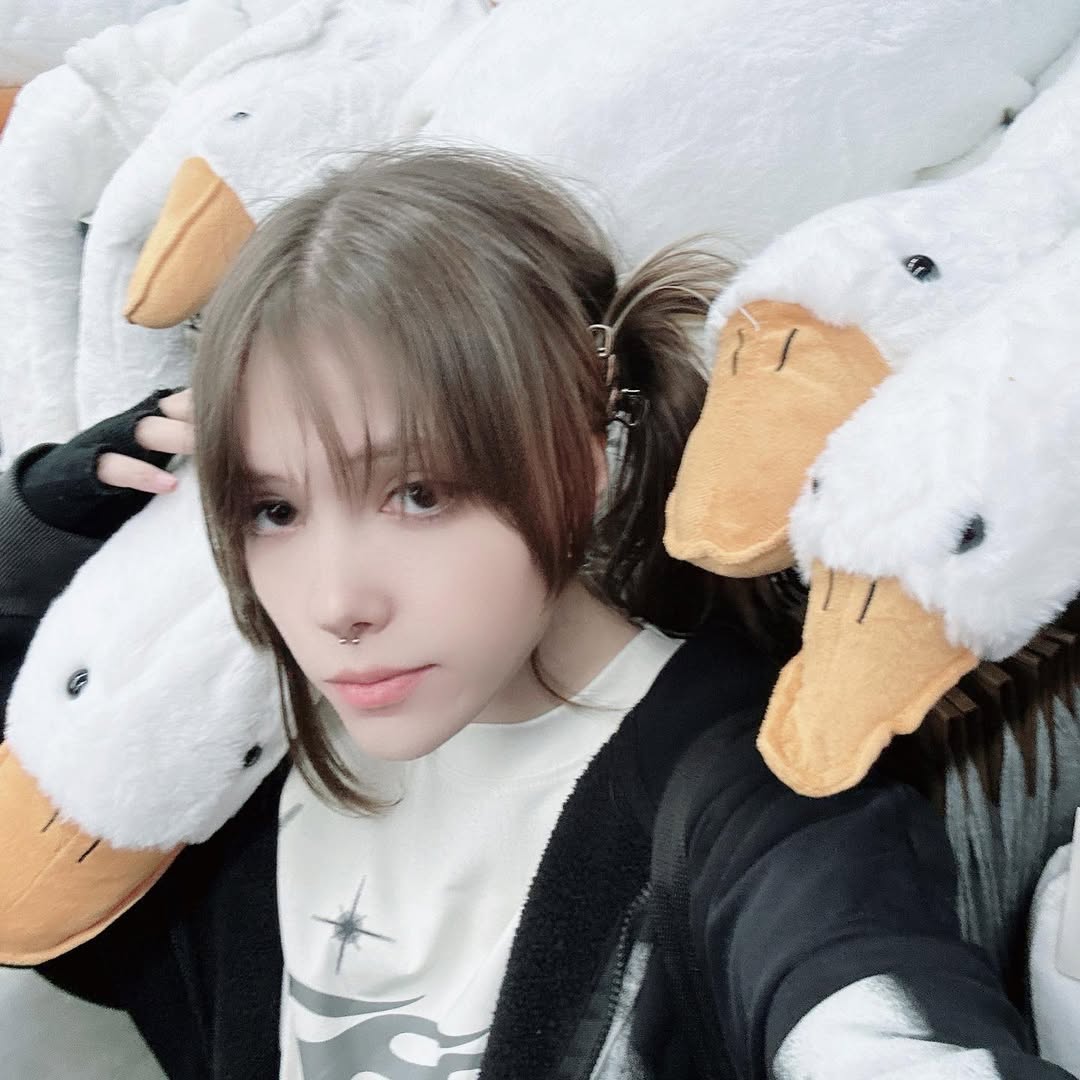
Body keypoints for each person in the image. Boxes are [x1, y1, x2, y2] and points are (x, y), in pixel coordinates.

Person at [0, 146, 1069, 1080]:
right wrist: (55, 511)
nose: (335, 604)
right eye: (272, 508)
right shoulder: (229, 774)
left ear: (591, 451)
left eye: (419, 493)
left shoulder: (746, 799)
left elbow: (861, 996)